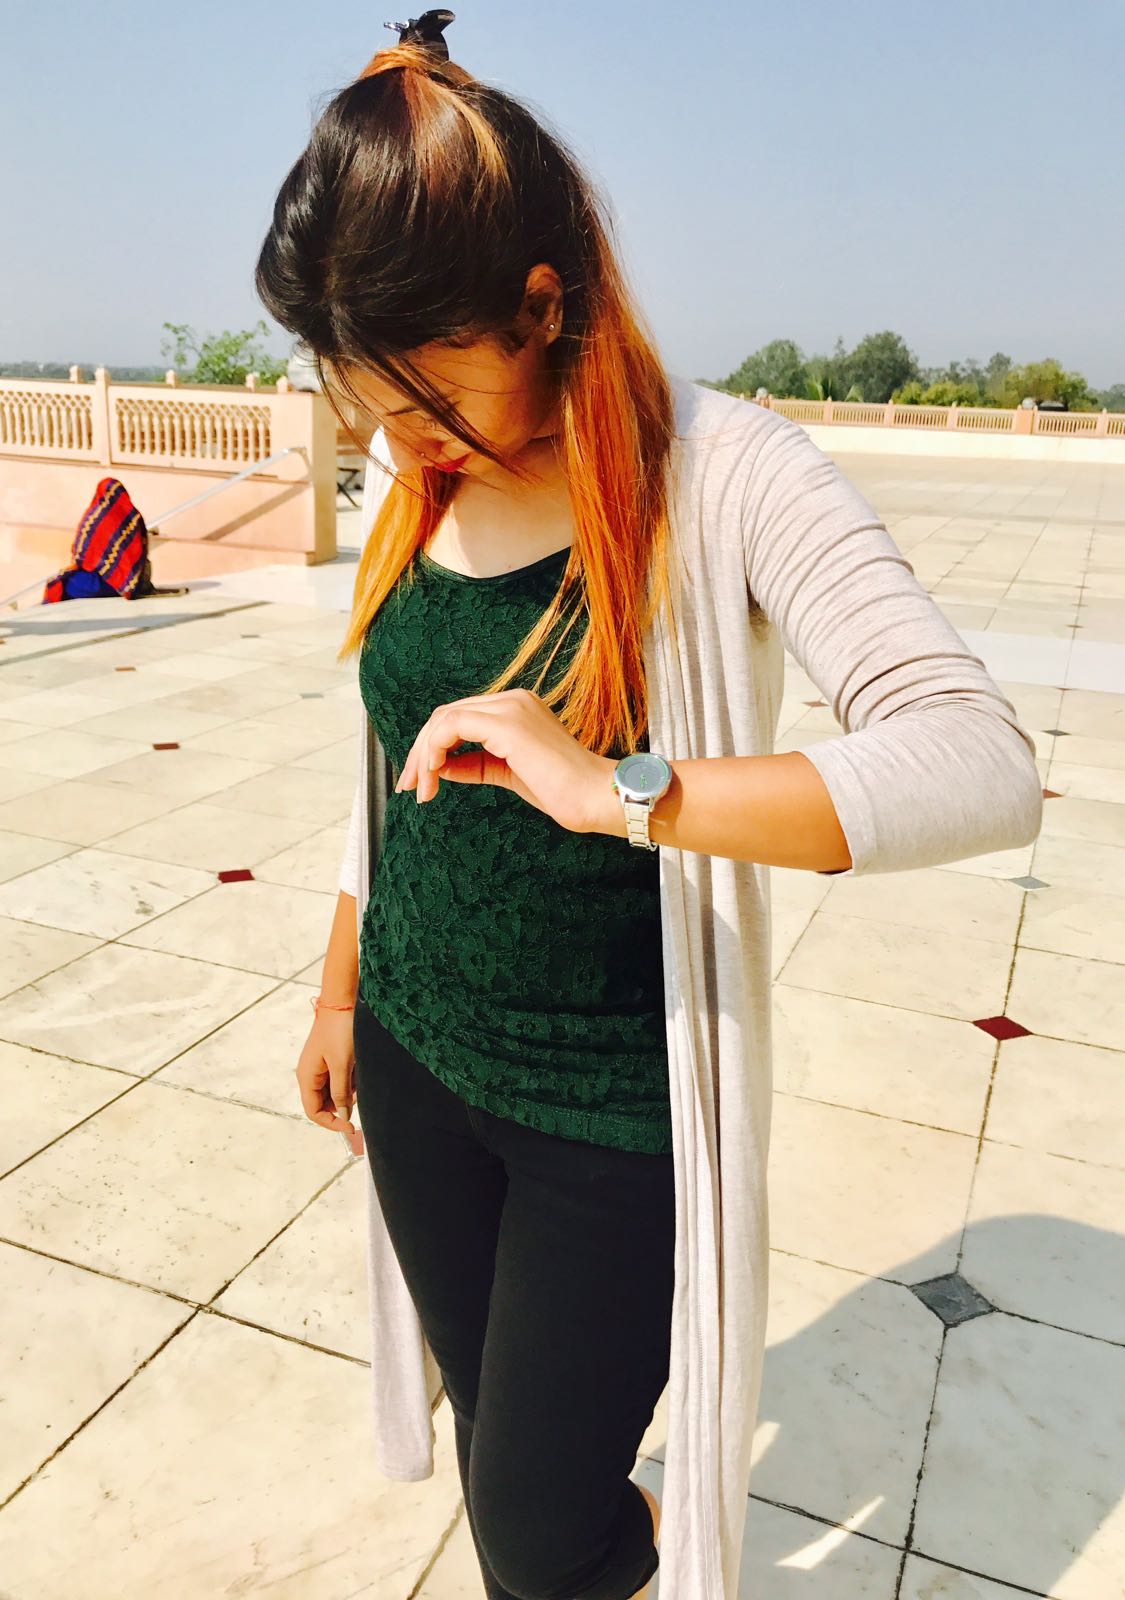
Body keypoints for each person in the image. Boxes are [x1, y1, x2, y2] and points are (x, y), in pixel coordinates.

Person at [254, 17, 1043, 1599]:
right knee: (504, 1454)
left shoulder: (731, 475)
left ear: (542, 305)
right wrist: (340, 989)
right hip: (415, 1057)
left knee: (542, 1541)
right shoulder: (419, 477)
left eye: (426, 399)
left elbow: (978, 760)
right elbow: (389, 769)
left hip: (604, 1115)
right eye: (363, 403)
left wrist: (618, 786)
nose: (396, 445)